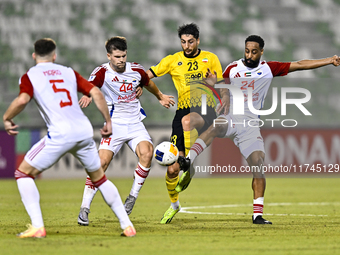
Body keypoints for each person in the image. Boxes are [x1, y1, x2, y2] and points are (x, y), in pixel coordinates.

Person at [184, 34, 340, 224]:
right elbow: (224, 87)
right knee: (216, 126)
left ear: (261, 52)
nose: (249, 55)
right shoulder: (233, 68)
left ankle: (257, 215)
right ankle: (188, 160)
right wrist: (221, 92)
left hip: (251, 125)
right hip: (233, 116)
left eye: (254, 52)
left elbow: (300, 64)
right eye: (247, 51)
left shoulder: (269, 68)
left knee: (258, 164)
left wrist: (329, 60)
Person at [2, 38, 136, 238]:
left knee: (23, 174)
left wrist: (7, 117)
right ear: (54, 55)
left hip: (60, 132)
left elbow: (22, 99)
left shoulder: (30, 76)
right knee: (99, 178)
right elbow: (95, 92)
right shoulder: (68, 72)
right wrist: (107, 121)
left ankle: (38, 226)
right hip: (83, 130)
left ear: (33, 56)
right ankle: (127, 226)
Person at [77, 36, 175, 226]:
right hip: (114, 125)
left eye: (123, 56)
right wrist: (87, 95)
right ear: (109, 56)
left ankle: (131, 197)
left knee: (147, 154)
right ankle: (85, 208)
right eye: (117, 57)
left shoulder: (136, 70)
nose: (121, 60)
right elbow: (89, 86)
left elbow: (148, 83)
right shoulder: (101, 73)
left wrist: (160, 96)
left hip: (135, 123)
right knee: (101, 163)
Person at [146, 23, 223, 224]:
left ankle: (189, 161)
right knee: (172, 170)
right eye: (183, 42)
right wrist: (155, 94)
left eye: (190, 42)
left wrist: (216, 87)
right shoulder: (173, 60)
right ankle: (174, 206)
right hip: (182, 110)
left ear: (198, 41)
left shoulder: (211, 58)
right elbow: (147, 75)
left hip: (205, 107)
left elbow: (223, 86)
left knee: (187, 120)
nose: (187, 46)